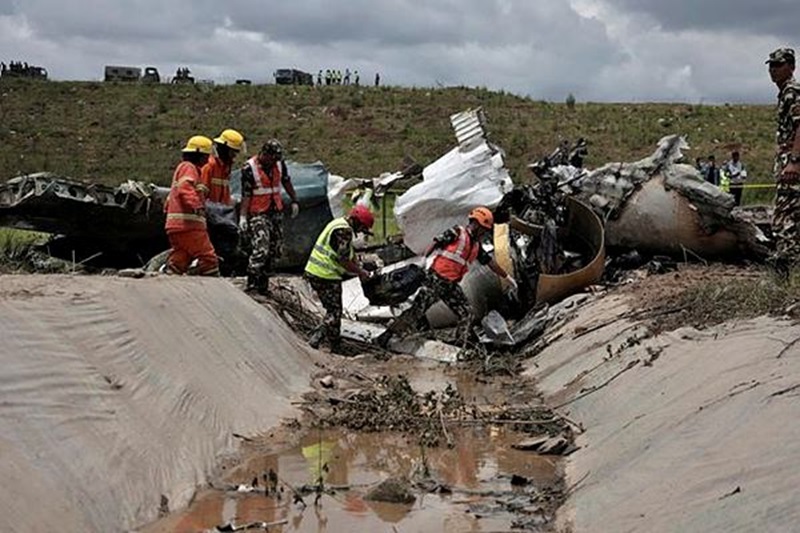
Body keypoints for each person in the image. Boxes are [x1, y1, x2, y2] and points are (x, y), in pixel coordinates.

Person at [375, 207, 518, 348]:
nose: (482, 233)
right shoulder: (457, 232)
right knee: (417, 311)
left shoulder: (476, 247)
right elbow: (437, 242)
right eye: (482, 229)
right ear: (475, 224)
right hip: (436, 279)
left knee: (466, 313)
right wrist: (425, 258)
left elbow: (490, 263)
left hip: (450, 285)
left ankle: (462, 343)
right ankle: (387, 335)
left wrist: (506, 277)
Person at [305, 205, 375, 350]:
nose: (361, 232)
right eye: (362, 228)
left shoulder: (337, 223)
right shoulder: (344, 231)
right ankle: (317, 338)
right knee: (334, 313)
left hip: (316, 271)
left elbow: (349, 253)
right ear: (357, 221)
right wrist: (361, 272)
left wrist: (358, 265)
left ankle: (335, 344)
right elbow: (343, 260)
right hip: (325, 274)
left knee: (334, 310)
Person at [239, 139, 299, 294]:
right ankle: (252, 284)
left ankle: (263, 286)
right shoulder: (249, 168)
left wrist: (294, 200)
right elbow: (246, 194)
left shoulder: (279, 164)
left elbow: (286, 181)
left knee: (274, 250)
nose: (275, 161)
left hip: (275, 212)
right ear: (265, 154)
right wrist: (243, 217)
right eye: (272, 158)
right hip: (258, 213)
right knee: (261, 249)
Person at [164, 135, 219, 276]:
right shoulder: (189, 168)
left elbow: (172, 197)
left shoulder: (183, 169)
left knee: (182, 256)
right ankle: (211, 288)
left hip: (176, 226)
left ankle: (169, 278)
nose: (208, 159)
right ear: (199, 155)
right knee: (208, 258)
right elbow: (185, 189)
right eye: (206, 156)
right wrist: (197, 206)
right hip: (189, 225)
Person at [767, 47, 800, 277]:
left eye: (778, 65)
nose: (773, 70)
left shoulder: (792, 91)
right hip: (787, 158)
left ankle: (788, 271)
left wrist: (794, 161)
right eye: (771, 65)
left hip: (793, 161)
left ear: (791, 66)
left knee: (783, 219)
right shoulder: (785, 93)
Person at [200, 129, 246, 205]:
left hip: (220, 213)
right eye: (233, 151)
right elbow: (201, 195)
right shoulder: (209, 166)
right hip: (210, 212)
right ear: (225, 149)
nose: (234, 155)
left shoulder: (225, 168)